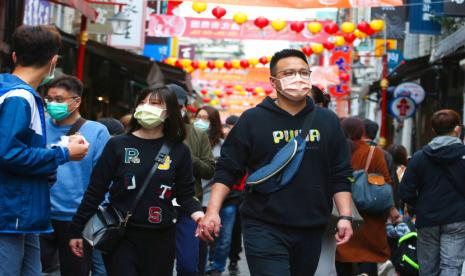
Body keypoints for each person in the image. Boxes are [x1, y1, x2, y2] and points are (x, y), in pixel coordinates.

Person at [198, 49, 354, 276]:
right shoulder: (253, 119)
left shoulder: (327, 121)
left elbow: (340, 173)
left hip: (311, 227)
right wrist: (212, 211)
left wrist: (345, 216)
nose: (297, 78)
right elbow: (227, 169)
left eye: (303, 72)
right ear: (274, 81)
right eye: (289, 72)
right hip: (263, 225)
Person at [69, 85, 204, 276]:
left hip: (161, 238)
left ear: (169, 113)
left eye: (155, 103)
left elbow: (186, 196)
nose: (146, 106)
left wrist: (200, 216)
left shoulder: (179, 151)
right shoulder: (117, 145)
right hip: (121, 235)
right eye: (142, 102)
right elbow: (95, 190)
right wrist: (77, 229)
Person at [0, 25, 88, 276]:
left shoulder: (10, 90)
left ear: (15, 56)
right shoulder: (19, 97)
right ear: (53, 61)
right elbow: (8, 153)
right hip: (11, 212)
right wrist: (63, 154)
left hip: (21, 213)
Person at [40, 76, 110, 276]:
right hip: (40, 216)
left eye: (59, 100)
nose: (53, 104)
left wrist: (93, 218)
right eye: (49, 99)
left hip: (77, 220)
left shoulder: (97, 132)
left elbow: (103, 180)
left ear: (76, 101)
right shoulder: (40, 127)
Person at [399, 109, 465, 275]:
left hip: (427, 218)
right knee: (451, 266)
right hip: (458, 218)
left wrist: (417, 206)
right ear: (457, 130)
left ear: (434, 131)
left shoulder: (419, 157)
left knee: (428, 269)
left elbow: (405, 191)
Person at [336, 117, 396, 276]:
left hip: (341, 214)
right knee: (368, 257)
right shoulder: (373, 152)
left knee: (341, 256)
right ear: (362, 132)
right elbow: (386, 182)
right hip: (369, 218)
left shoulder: (335, 151)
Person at [166, 83, 215, 276]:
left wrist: (186, 156)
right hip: (157, 204)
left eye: (177, 106)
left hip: (188, 205)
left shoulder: (197, 134)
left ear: (184, 108)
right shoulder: (152, 131)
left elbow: (209, 170)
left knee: (187, 265)